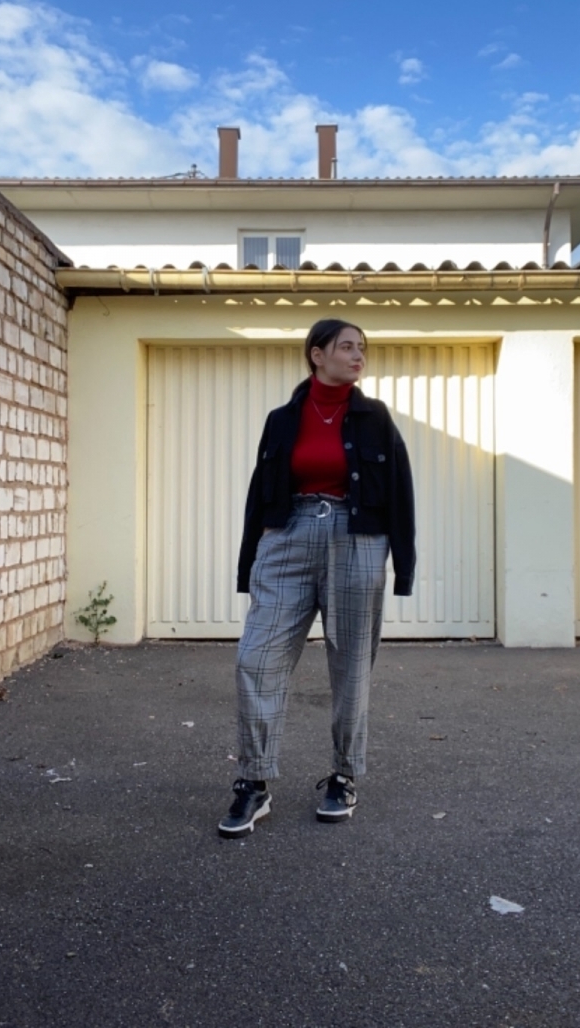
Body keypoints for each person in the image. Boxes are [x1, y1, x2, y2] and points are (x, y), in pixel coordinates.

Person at [218, 319, 416, 838]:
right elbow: (259, 493)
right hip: (288, 536)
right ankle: (254, 781)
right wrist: (249, 561)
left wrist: (403, 565)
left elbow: (401, 491)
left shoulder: (375, 418)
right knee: (256, 657)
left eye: (362, 348)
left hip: (357, 538)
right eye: (346, 347)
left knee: (351, 664)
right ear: (317, 354)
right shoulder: (282, 420)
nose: (357, 355)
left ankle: (344, 776)